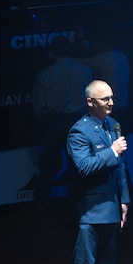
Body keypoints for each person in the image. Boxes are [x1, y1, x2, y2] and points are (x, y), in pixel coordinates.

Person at [66, 79, 132, 264]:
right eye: (105, 100)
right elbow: (83, 167)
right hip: (90, 212)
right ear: (90, 102)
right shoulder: (78, 132)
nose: (111, 103)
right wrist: (112, 151)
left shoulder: (113, 125)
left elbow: (121, 170)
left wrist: (124, 201)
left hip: (111, 208)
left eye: (112, 98)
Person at [32, 37, 92, 212]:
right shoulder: (84, 71)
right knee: (77, 165)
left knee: (48, 163)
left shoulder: (44, 75)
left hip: (54, 122)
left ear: (52, 53)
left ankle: (42, 204)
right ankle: (75, 206)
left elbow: (39, 107)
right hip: (78, 121)